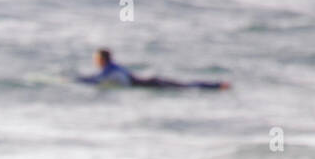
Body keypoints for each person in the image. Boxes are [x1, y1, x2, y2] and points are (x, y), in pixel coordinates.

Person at [78, 48, 230, 89]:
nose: (95, 61)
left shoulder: (110, 70)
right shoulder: (113, 67)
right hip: (149, 81)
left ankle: (217, 85)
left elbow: (95, 80)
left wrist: (75, 81)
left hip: (149, 83)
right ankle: (217, 85)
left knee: (186, 86)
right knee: (185, 85)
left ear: (102, 59)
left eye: (96, 59)